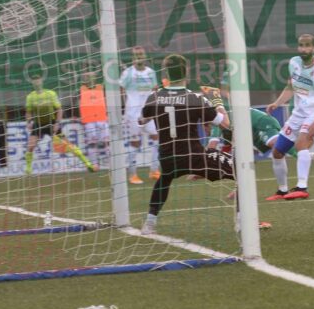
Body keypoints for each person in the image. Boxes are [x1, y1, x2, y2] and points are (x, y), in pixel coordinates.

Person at [139, 54, 235, 235]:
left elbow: (141, 120)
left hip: (168, 157)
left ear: (166, 73)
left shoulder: (154, 97)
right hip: (194, 157)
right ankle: (244, 222)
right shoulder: (195, 98)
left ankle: (149, 223)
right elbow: (225, 123)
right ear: (186, 72)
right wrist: (216, 100)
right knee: (240, 170)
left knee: (164, 180)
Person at [264, 34, 314, 201]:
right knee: (277, 152)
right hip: (298, 113)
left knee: (301, 143)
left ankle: (302, 187)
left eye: (307, 45)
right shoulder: (294, 63)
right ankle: (282, 190)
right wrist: (277, 103)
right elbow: (291, 87)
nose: (304, 49)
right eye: (301, 45)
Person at [24, 72, 96, 174]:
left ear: (41, 81)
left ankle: (88, 164)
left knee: (68, 145)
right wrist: (29, 121)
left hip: (52, 123)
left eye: (38, 80)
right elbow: (28, 112)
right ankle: (28, 170)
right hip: (38, 124)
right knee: (31, 146)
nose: (37, 82)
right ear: (32, 83)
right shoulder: (30, 97)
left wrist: (57, 123)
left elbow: (59, 109)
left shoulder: (50, 94)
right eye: (34, 81)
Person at [119, 46, 159, 184]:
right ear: (133, 58)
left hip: (148, 113)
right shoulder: (128, 73)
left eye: (141, 54)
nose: (139, 57)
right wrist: (125, 108)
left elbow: (155, 90)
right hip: (133, 114)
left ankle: (154, 170)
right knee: (135, 143)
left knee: (157, 139)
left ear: (145, 56)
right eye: (136, 55)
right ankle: (132, 174)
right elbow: (121, 91)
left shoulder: (151, 72)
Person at [79, 69, 110, 169]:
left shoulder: (100, 87)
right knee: (92, 143)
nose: (89, 78)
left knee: (107, 141)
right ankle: (95, 164)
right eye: (87, 77)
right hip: (89, 120)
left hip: (102, 118)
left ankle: (111, 162)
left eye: (91, 76)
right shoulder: (82, 89)